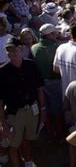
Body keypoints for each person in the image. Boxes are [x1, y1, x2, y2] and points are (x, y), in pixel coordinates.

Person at [0, 37, 47, 167]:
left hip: (33, 110)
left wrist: (43, 110)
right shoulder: (3, 72)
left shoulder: (31, 65)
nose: (11, 53)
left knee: (28, 139)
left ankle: (27, 161)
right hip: (14, 114)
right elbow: (0, 101)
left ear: (21, 49)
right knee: (13, 145)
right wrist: (3, 123)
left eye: (14, 49)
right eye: (9, 50)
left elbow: (40, 89)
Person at [30, 23, 63, 141]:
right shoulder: (57, 47)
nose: (56, 34)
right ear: (49, 35)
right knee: (57, 110)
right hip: (54, 83)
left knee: (45, 109)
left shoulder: (33, 48)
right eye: (54, 33)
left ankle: (50, 133)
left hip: (39, 84)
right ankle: (59, 134)